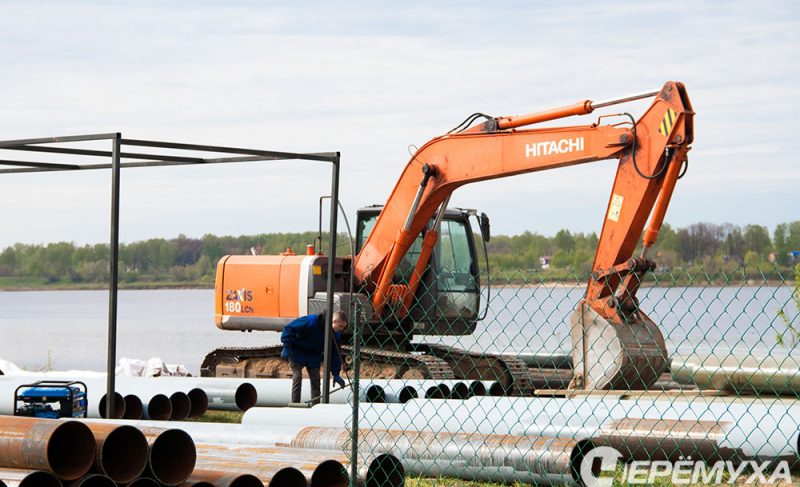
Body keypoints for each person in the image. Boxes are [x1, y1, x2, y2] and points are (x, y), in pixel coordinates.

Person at [280, 310, 348, 404]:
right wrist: (286, 346)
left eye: (343, 327)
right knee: (297, 376)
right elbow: (289, 328)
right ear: (334, 321)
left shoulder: (335, 335)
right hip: (297, 351)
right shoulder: (312, 321)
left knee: (316, 380)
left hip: (314, 355)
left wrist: (336, 374)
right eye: (340, 326)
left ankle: (315, 406)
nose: (341, 329)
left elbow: (335, 354)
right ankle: (295, 404)